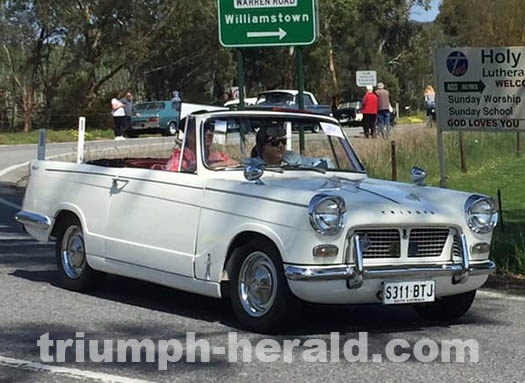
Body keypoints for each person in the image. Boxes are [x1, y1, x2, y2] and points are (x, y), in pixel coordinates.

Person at [251, 124, 333, 168]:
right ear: (262, 146)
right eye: (275, 142)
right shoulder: (252, 167)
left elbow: (325, 162)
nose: (280, 145)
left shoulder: (292, 158)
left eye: (283, 141)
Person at [165, 124, 235, 172]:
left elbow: (235, 165)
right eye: (203, 129)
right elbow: (175, 177)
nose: (210, 133)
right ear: (189, 134)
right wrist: (213, 166)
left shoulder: (217, 155)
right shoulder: (180, 158)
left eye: (211, 128)